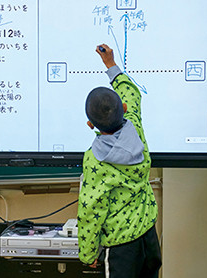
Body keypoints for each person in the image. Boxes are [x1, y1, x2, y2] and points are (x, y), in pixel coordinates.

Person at [78, 44, 161, 277]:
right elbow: (132, 92)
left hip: (121, 248)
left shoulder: (95, 160)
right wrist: (110, 65)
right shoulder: (135, 127)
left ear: (90, 124)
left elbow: (91, 209)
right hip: (148, 238)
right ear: (124, 109)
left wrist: (88, 254)